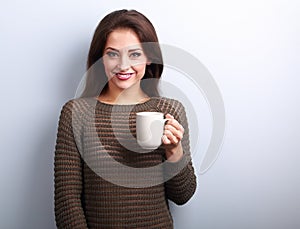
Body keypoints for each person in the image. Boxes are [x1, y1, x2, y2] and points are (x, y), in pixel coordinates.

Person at [54, 9, 197, 228]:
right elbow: (67, 202)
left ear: (149, 58)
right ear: (100, 58)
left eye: (135, 54)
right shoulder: (76, 113)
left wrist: (174, 151)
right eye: (112, 54)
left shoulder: (170, 110)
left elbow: (183, 195)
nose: (123, 65)